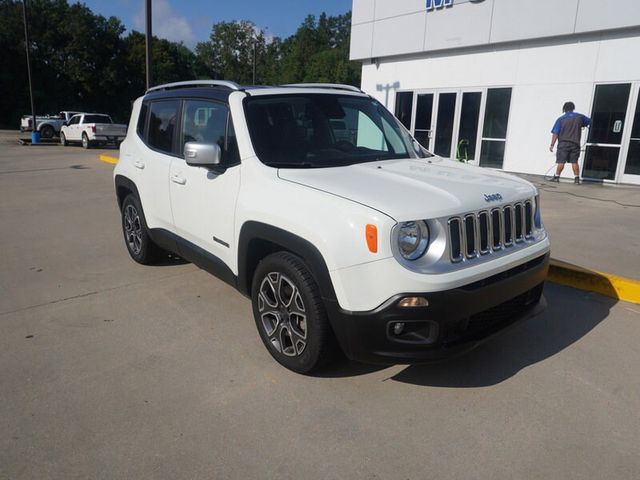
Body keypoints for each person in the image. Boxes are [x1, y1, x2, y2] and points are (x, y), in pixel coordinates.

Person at [549, 102, 591, 184]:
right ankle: (576, 179)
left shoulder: (561, 119)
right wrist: (581, 124)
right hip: (575, 143)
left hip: (563, 143)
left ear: (564, 109)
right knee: (574, 161)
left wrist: (552, 145)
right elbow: (590, 122)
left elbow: (555, 133)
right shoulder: (580, 117)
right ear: (573, 108)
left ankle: (557, 177)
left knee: (561, 161)